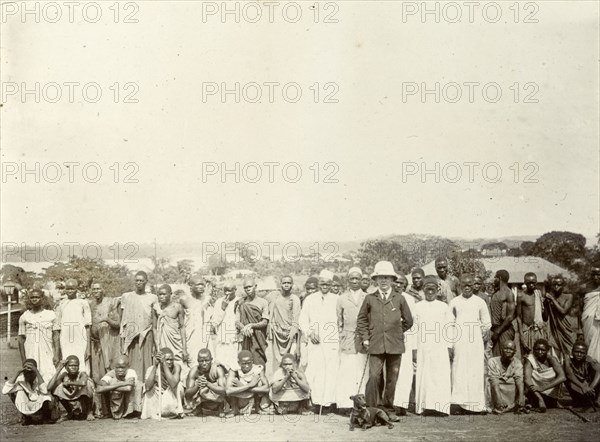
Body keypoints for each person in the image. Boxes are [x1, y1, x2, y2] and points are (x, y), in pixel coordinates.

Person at [356, 261, 413, 420]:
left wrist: (395, 332)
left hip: (395, 345)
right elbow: (361, 320)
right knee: (374, 376)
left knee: (392, 379)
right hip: (375, 344)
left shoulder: (399, 299)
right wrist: (366, 338)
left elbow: (408, 321)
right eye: (380, 278)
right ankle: (372, 410)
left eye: (387, 278)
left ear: (392, 280)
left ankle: (388, 410)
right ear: (376, 280)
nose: (383, 281)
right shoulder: (369, 298)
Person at [299, 269, 340, 413]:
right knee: (315, 371)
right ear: (319, 283)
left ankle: (329, 403)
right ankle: (316, 403)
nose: (325, 285)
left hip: (332, 342)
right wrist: (310, 333)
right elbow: (302, 320)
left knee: (331, 371)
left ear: (331, 284)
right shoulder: (310, 299)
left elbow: (341, 320)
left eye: (328, 283)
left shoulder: (337, 299)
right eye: (322, 283)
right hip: (315, 342)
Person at [449, 274, 491, 413]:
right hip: (459, 340)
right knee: (459, 369)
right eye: (464, 284)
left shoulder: (480, 302)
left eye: (469, 284)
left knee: (475, 370)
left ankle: (476, 405)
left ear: (474, 285)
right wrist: (451, 343)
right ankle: (459, 404)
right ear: (460, 285)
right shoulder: (454, 302)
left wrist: (479, 333)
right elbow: (449, 323)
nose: (467, 287)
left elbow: (487, 322)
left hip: (475, 342)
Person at [413, 275, 453, 416]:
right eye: (427, 289)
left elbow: (449, 327)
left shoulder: (443, 306)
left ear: (437, 290)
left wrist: (449, 347)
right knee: (425, 375)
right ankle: (424, 406)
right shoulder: (417, 307)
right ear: (423, 290)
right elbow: (414, 329)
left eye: (433, 289)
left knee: (439, 375)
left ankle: (440, 407)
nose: (430, 292)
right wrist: (414, 349)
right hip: (423, 346)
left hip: (440, 346)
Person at [336, 267, 367, 413]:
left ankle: (361, 404)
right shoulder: (342, 298)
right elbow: (339, 321)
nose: (355, 281)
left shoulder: (367, 297)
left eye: (357, 279)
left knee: (361, 370)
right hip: (347, 338)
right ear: (348, 280)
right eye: (352, 279)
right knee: (347, 371)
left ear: (361, 280)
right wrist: (342, 336)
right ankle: (346, 405)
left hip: (363, 339)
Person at [119, 271, 158, 380]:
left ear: (146, 281)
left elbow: (154, 321)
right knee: (132, 364)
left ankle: (145, 390)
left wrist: (156, 343)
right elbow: (122, 320)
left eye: (141, 280)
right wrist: (123, 339)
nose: (139, 283)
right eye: (137, 280)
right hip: (131, 338)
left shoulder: (153, 298)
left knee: (146, 363)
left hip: (146, 336)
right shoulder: (127, 297)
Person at [18, 289, 59, 381]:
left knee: (49, 374)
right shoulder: (24, 317)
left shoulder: (51, 315)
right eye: (32, 297)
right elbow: (21, 340)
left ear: (42, 299)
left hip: (47, 351)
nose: (34, 299)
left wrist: (56, 354)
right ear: (29, 299)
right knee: (31, 377)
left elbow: (56, 336)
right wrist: (24, 359)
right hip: (30, 351)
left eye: (37, 297)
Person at [2, 359, 59, 425]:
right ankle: (26, 418)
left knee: (45, 395)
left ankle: (45, 418)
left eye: (31, 367)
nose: (28, 369)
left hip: (39, 402)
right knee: (17, 392)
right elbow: (5, 391)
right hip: (26, 403)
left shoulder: (40, 377)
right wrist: (18, 373)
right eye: (26, 367)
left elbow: (45, 390)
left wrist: (36, 372)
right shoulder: (21, 378)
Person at [394, 270, 419, 415]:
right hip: (391, 340)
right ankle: (392, 403)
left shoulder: (409, 299)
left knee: (405, 371)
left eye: (401, 283)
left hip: (407, 339)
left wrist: (414, 347)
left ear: (405, 286)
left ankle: (402, 404)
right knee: (392, 371)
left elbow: (413, 323)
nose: (398, 285)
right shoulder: (388, 297)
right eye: (396, 282)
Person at [53, 279, 92, 374]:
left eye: (72, 288)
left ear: (77, 289)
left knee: (82, 365)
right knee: (67, 362)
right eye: (68, 288)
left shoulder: (83, 303)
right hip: (66, 339)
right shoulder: (61, 304)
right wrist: (57, 352)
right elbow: (57, 327)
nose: (70, 291)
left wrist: (88, 348)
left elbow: (88, 326)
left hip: (81, 339)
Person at [88, 283, 121, 385]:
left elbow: (118, 324)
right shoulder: (91, 304)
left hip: (107, 342)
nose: (96, 291)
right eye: (94, 289)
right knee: (96, 373)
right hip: (94, 343)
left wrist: (106, 319)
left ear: (102, 290)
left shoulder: (110, 303)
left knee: (108, 369)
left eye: (98, 289)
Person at [268, 276, 301, 374]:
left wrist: (292, 334)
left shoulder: (295, 299)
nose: (286, 285)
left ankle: (291, 385)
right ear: (280, 284)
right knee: (277, 362)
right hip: (278, 335)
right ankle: (278, 383)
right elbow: (271, 314)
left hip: (291, 335)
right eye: (284, 283)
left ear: (292, 284)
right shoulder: (276, 298)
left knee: (291, 361)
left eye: (289, 283)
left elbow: (296, 319)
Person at [141, 348, 184, 419]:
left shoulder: (177, 367)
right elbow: (147, 387)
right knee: (147, 388)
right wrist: (155, 366)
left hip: (171, 396)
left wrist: (164, 364)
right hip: (159, 397)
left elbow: (173, 384)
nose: (169, 362)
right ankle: (154, 412)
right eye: (167, 359)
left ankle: (178, 411)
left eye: (171, 359)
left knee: (179, 386)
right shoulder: (151, 369)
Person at [524, 339, 566, 411]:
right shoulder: (530, 359)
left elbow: (562, 377)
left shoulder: (552, 359)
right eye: (537, 349)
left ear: (548, 350)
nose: (540, 352)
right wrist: (539, 398)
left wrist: (543, 388)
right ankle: (538, 400)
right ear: (533, 349)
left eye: (543, 350)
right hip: (535, 392)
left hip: (550, 393)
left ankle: (547, 402)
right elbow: (527, 379)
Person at [95, 355, 143, 419]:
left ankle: (132, 412)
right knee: (113, 381)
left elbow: (128, 388)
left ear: (127, 367)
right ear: (114, 367)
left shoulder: (131, 372)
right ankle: (107, 413)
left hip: (126, 400)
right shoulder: (111, 374)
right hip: (115, 400)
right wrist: (122, 384)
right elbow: (98, 389)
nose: (120, 370)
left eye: (122, 367)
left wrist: (109, 387)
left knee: (138, 384)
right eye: (117, 368)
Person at [48, 355, 95, 421]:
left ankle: (89, 412)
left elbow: (83, 383)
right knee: (57, 388)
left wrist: (69, 383)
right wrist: (59, 369)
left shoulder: (82, 373)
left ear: (78, 367)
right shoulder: (64, 375)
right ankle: (70, 412)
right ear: (66, 367)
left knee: (88, 384)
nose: (73, 367)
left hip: (81, 396)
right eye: (70, 365)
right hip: (71, 396)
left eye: (76, 365)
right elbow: (49, 387)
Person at [236, 278, 269, 366]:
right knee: (246, 362)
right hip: (246, 336)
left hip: (259, 337)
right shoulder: (240, 302)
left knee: (260, 363)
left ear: (255, 286)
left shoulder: (263, 302)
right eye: (245, 287)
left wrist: (251, 325)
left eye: (250, 286)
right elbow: (237, 321)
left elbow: (265, 322)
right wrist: (244, 328)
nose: (248, 289)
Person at [180, 276, 212, 367]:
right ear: (191, 286)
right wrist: (184, 348)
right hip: (191, 338)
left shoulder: (206, 300)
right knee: (192, 364)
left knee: (204, 362)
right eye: (198, 284)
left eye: (203, 285)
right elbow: (180, 324)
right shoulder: (184, 300)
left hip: (204, 337)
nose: (202, 287)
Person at [185, 349, 228, 417]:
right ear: (198, 361)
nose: (204, 363)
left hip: (216, 398)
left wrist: (208, 384)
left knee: (219, 385)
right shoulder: (194, 371)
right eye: (201, 361)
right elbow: (187, 394)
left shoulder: (217, 369)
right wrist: (197, 386)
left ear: (211, 360)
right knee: (196, 385)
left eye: (207, 360)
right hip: (202, 398)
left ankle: (221, 407)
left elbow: (224, 391)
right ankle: (198, 408)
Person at [226, 350, 270, 415]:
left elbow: (266, 388)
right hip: (239, 397)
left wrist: (243, 386)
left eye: (249, 363)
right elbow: (228, 390)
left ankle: (257, 407)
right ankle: (234, 409)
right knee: (231, 382)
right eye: (244, 363)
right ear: (239, 363)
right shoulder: (234, 370)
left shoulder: (258, 369)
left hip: (251, 396)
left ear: (252, 361)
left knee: (260, 382)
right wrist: (250, 385)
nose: (247, 366)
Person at [210, 282, 242, 371]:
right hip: (222, 339)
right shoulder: (219, 302)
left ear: (235, 290)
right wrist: (222, 308)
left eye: (229, 291)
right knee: (221, 363)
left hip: (234, 339)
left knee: (234, 364)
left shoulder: (240, 301)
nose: (227, 293)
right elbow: (214, 322)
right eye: (225, 291)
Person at [154, 284, 188, 365]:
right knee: (163, 362)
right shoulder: (156, 308)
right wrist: (157, 347)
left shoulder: (178, 307)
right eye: (160, 294)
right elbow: (154, 328)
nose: (161, 296)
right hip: (161, 342)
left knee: (178, 363)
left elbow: (182, 327)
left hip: (176, 342)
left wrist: (184, 349)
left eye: (164, 294)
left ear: (170, 294)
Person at [544, 276, 576, 361]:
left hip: (567, 330)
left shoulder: (569, 296)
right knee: (556, 352)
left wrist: (552, 299)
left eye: (559, 285)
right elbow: (545, 318)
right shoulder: (550, 300)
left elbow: (563, 311)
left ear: (563, 286)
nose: (556, 287)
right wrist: (545, 304)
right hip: (555, 330)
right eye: (554, 285)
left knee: (570, 352)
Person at [488, 341, 525, 414]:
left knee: (516, 384)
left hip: (509, 387)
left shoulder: (517, 363)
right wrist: (499, 398)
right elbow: (494, 380)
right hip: (496, 386)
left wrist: (521, 397)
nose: (508, 351)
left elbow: (519, 380)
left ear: (515, 351)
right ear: (501, 349)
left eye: (511, 349)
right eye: (506, 348)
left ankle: (513, 405)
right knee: (488, 382)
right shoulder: (492, 361)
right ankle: (497, 404)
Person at [516, 273, 547, 356]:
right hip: (526, 329)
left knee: (540, 355)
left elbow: (544, 315)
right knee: (527, 356)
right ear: (525, 282)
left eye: (533, 282)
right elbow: (518, 317)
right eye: (529, 282)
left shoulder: (539, 294)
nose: (531, 284)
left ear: (536, 282)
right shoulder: (521, 295)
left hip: (539, 329)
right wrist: (522, 337)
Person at [564, 342, 600, 408]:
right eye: (576, 352)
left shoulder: (589, 360)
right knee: (565, 376)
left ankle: (597, 399)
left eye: (582, 353)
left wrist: (590, 388)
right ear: (572, 352)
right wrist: (582, 386)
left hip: (589, 387)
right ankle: (577, 400)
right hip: (579, 386)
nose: (579, 354)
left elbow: (599, 371)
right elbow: (569, 374)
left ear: (586, 354)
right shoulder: (568, 360)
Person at [490, 270, 516, 357]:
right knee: (496, 357)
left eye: (495, 278)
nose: (494, 280)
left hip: (504, 330)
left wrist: (498, 331)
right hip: (495, 329)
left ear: (500, 278)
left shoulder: (508, 293)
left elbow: (510, 317)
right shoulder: (496, 292)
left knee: (505, 356)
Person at [582, 267, 600, 361]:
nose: (596, 277)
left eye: (598, 274)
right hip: (587, 319)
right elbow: (581, 307)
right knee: (588, 344)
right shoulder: (587, 287)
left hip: (599, 321)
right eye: (594, 274)